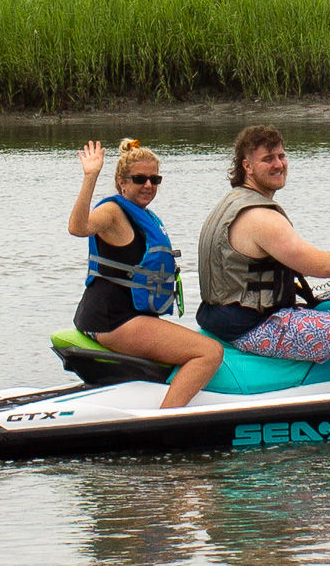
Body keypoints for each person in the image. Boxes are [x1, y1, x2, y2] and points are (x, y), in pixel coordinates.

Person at [195, 125, 330, 391]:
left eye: (281, 156)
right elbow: (323, 268)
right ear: (247, 166)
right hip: (253, 326)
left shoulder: (231, 203)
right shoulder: (261, 217)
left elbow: (293, 258)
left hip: (226, 320)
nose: (279, 164)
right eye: (268, 159)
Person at [68, 139, 224, 409]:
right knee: (209, 352)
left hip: (123, 316)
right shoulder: (113, 212)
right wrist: (90, 177)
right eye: (140, 179)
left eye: (155, 179)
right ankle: (166, 419)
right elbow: (78, 227)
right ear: (122, 182)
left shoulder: (144, 216)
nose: (149, 185)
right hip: (114, 320)